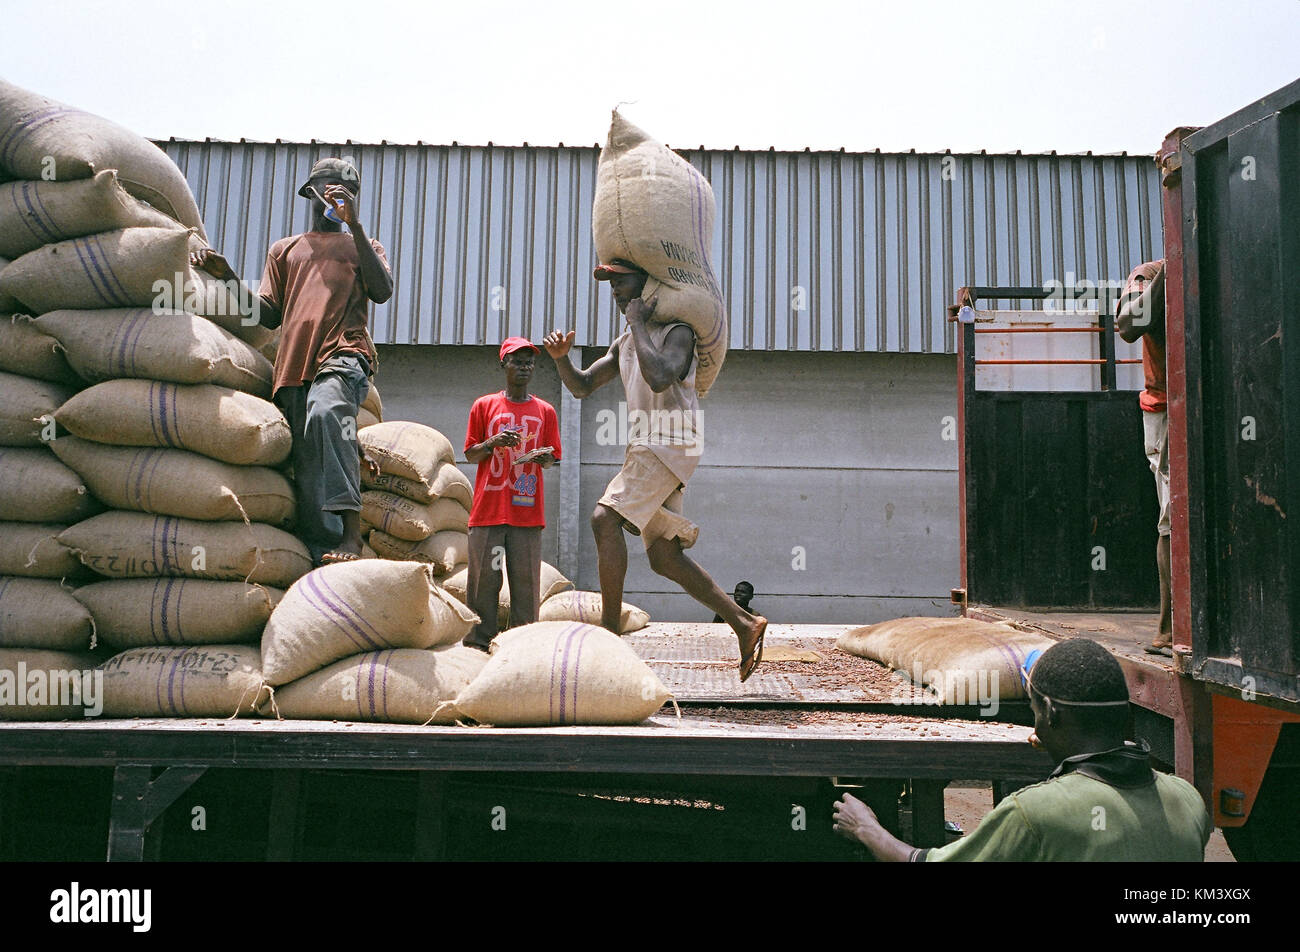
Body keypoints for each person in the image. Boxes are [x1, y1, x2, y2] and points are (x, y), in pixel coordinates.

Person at [543, 259, 767, 680]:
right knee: (665, 557)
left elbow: (661, 376)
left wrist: (637, 322)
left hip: (669, 440)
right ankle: (744, 623)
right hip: (651, 444)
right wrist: (560, 360)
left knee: (604, 519)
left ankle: (609, 635)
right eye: (611, 285)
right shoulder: (626, 342)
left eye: (622, 283)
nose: (616, 292)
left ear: (648, 285)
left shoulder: (677, 332)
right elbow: (582, 386)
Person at [831, 638, 1212, 861]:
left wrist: (867, 829)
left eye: (1035, 712)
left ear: (1051, 713)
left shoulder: (1033, 812)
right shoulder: (1186, 799)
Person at [193, 157, 393, 566]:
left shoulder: (365, 246)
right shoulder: (284, 250)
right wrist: (228, 275)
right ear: (310, 193)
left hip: (344, 354)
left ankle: (351, 536)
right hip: (293, 369)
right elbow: (268, 315)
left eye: (347, 193)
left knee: (327, 410)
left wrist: (355, 225)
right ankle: (322, 561)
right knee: (309, 474)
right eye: (330, 190)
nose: (337, 199)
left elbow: (382, 291)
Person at [461, 338, 561, 652]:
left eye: (529, 362)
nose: (524, 367)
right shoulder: (484, 406)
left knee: (526, 584)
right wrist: (492, 442)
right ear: (504, 364)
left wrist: (545, 458)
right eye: (517, 362)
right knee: (484, 582)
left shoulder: (545, 411)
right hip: (489, 511)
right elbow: (471, 454)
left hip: (526, 512)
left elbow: (554, 458)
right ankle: (479, 644)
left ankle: (521, 646)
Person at [1115, 260, 1171, 655]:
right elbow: (1130, 325)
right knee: (1173, 518)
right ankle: (1169, 631)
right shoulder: (1150, 274)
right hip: (1167, 409)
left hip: (1211, 404)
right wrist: (1172, 266)